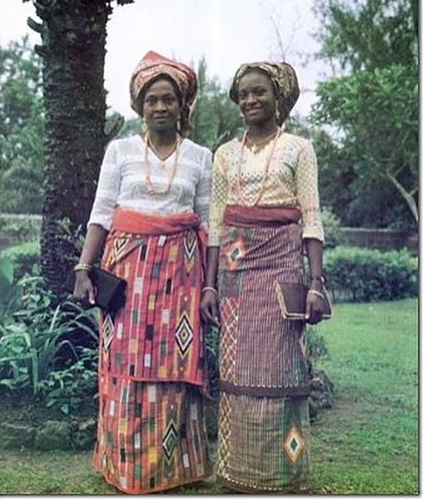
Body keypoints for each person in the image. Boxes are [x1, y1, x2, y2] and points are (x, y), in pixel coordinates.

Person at [73, 51, 212, 494]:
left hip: (180, 274)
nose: (159, 107)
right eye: (151, 99)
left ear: (181, 105)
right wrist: (84, 267)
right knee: (124, 363)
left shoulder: (200, 157)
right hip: (125, 274)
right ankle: (124, 464)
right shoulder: (121, 151)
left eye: (168, 98)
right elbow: (101, 213)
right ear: (140, 105)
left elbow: (209, 225)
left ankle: (171, 467)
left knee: (170, 367)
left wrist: (209, 284)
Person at [200, 61, 326, 493]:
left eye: (260, 92)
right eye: (244, 94)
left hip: (282, 265)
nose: (251, 100)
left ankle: (282, 472)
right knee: (236, 366)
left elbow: (310, 217)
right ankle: (237, 472)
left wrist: (316, 282)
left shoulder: (298, 149)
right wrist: (211, 284)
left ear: (278, 97)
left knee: (280, 365)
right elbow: (216, 224)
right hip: (235, 269)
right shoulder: (224, 155)